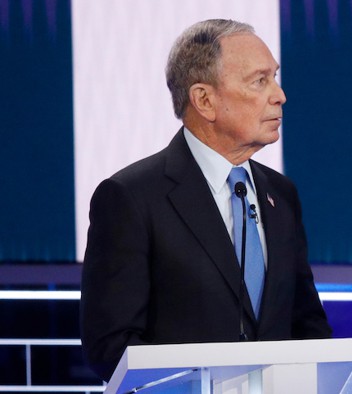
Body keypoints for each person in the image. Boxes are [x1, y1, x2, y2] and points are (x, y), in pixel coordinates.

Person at [80, 19, 331, 381]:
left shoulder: (281, 195)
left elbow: (307, 325)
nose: (279, 95)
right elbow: (111, 347)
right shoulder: (131, 198)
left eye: (274, 78)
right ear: (204, 100)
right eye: (259, 81)